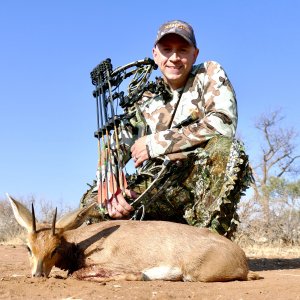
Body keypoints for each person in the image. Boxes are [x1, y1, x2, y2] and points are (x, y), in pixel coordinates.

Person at [88, 20, 252, 238]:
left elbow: (223, 123)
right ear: (155, 54)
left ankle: (210, 244)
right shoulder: (144, 98)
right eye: (167, 50)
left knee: (227, 149)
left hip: (196, 183)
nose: (174, 57)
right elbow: (118, 146)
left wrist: (155, 143)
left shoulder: (209, 73)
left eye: (183, 50)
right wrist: (109, 183)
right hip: (157, 187)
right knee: (94, 203)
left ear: (195, 54)